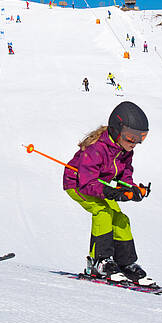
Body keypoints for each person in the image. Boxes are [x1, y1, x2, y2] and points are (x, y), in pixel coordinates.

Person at [62, 101, 152, 284]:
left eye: (141, 137)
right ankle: (99, 262)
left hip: (101, 187)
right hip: (78, 184)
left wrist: (131, 190)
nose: (135, 143)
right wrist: (112, 192)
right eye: (130, 137)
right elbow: (87, 183)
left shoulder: (125, 149)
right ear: (117, 130)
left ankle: (126, 264)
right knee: (103, 213)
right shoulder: (97, 149)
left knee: (120, 218)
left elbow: (125, 173)